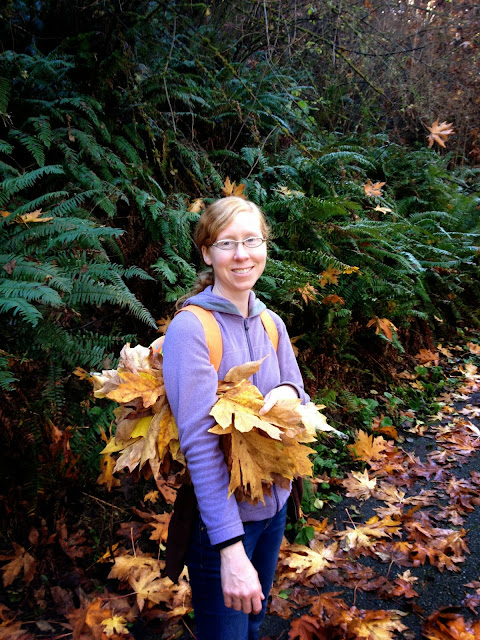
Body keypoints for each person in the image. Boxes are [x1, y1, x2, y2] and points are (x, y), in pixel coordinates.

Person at [162, 196, 309, 640]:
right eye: (227, 243)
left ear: (265, 246)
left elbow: (298, 391)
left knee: (253, 623)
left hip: (274, 509)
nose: (242, 254)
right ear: (207, 253)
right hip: (223, 524)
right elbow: (200, 445)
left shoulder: (271, 323)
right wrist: (229, 548)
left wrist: (289, 392)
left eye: (252, 240)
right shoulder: (192, 329)